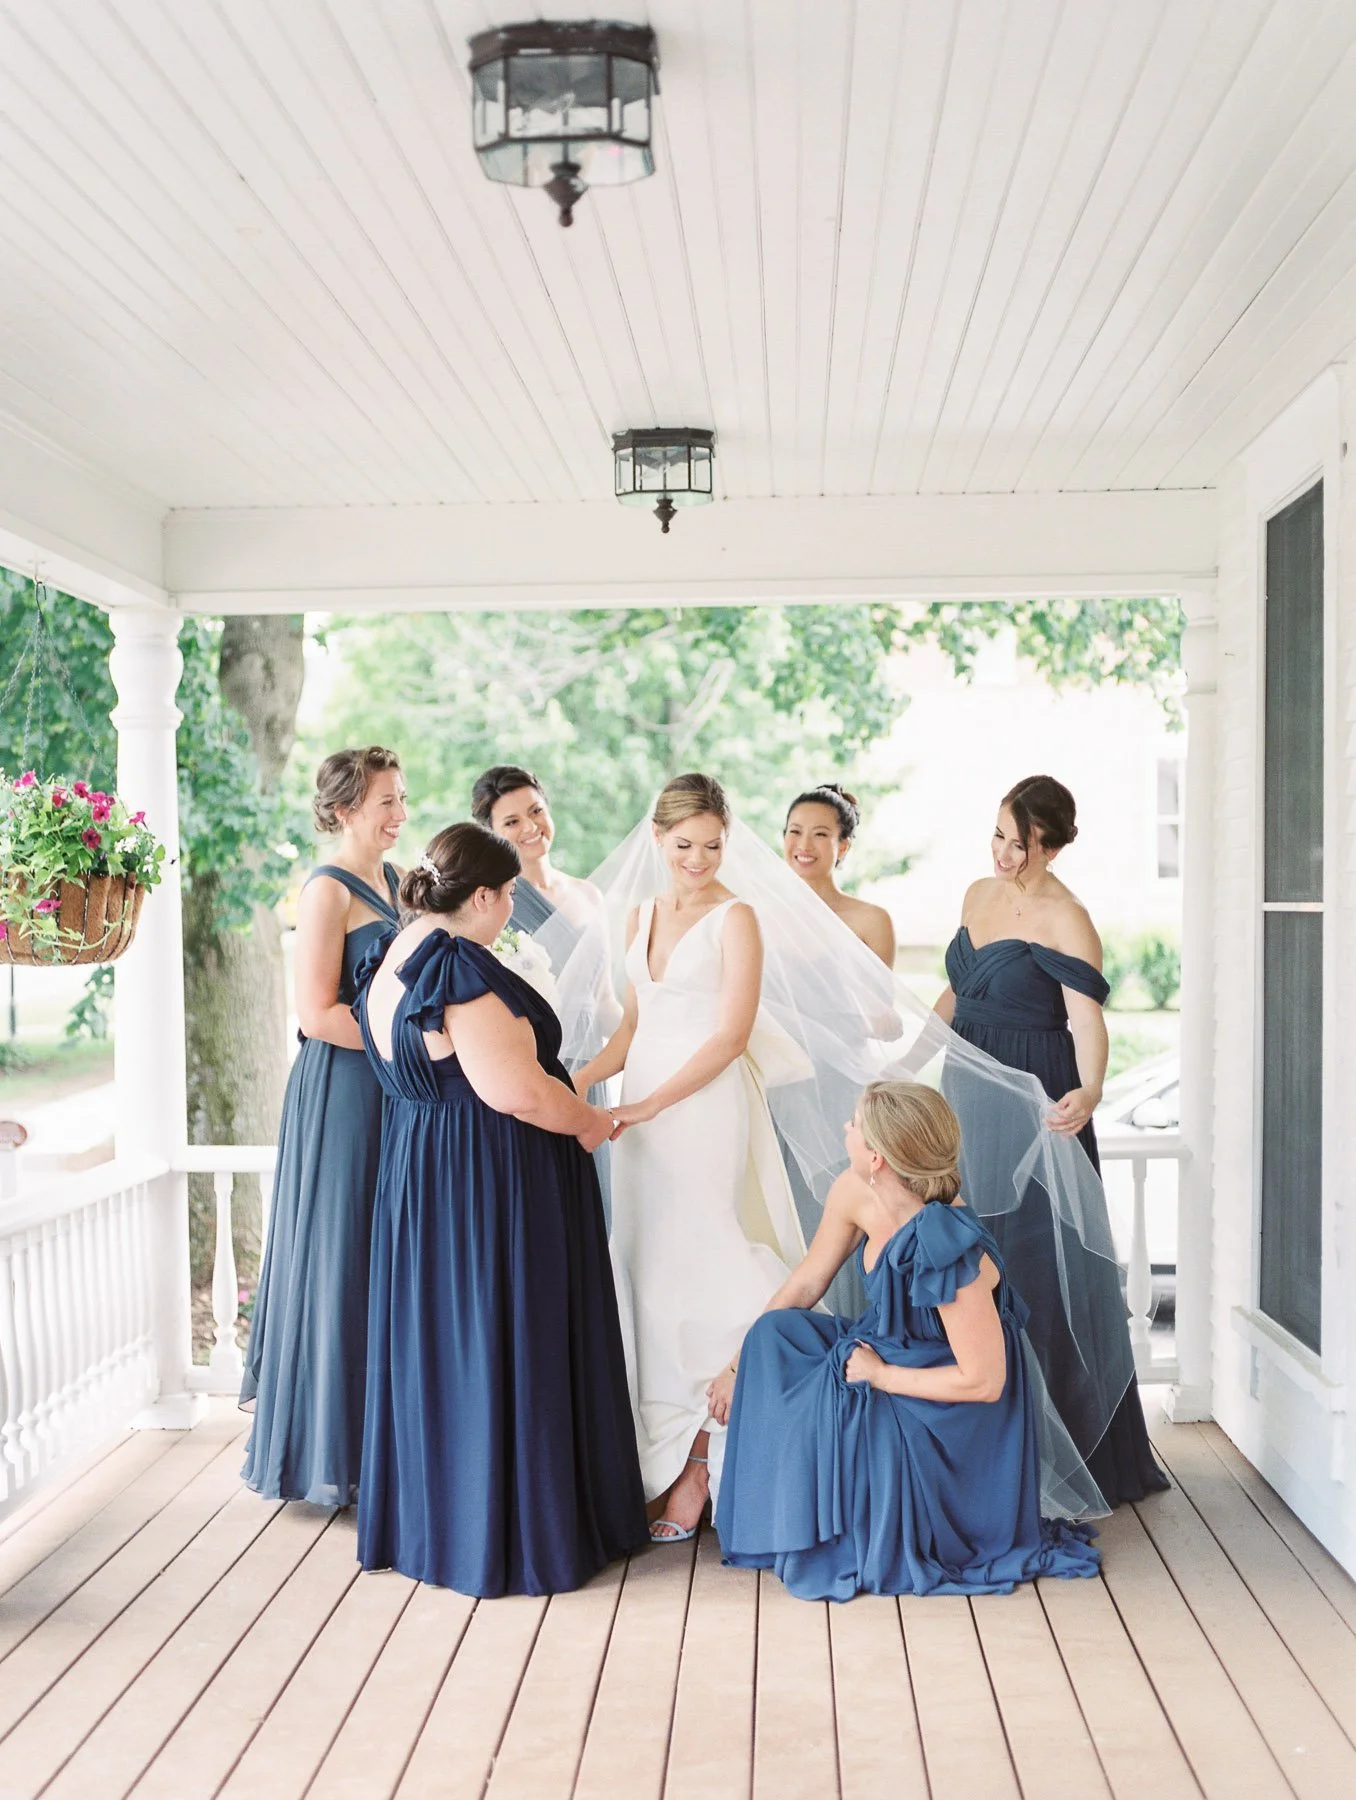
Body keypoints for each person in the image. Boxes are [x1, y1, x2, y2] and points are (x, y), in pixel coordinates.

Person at [354, 821, 647, 1595]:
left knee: (448, 1341)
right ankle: (515, 1533)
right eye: (510, 892)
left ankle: (440, 1523)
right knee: (505, 1333)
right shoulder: (456, 966)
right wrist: (590, 1123)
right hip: (491, 1181)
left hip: (423, 1173)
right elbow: (512, 1089)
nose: (513, 906)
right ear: (480, 896)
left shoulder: (394, 957)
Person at [709, 1081, 1103, 1602]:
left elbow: (984, 1381)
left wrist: (880, 1375)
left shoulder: (946, 1245)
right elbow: (806, 1283)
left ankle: (848, 1522)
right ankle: (790, 1520)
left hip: (949, 1399)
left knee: (844, 1401)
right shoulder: (854, 1190)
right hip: (888, 1345)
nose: (844, 1129)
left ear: (877, 1156)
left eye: (854, 1125)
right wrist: (736, 1368)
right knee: (772, 1339)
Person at [570, 774, 808, 1543]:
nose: (698, 859)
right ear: (656, 838)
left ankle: (706, 1457)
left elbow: (730, 1038)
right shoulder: (637, 916)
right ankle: (661, 1458)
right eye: (683, 846)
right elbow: (631, 1026)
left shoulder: (737, 918)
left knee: (704, 1257)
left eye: (712, 845)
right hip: (639, 1110)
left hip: (701, 1107)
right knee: (646, 1265)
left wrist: (647, 1104)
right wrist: (574, 1083)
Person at [934, 774, 1168, 1504]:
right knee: (959, 1253)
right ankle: (971, 1439)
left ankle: (1055, 1447)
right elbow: (955, 996)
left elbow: (1087, 1021)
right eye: (999, 836)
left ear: (1055, 845)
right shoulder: (977, 893)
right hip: (965, 1087)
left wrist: (1091, 1091)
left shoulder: (1069, 917)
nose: (1005, 853)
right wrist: (905, 1064)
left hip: (1034, 1092)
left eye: (1022, 844)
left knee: (1035, 1260)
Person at [241, 746, 406, 1505]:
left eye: (402, 800)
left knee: (392, 1257)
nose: (400, 815)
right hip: (344, 1090)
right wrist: (406, 1042)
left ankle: (391, 1444)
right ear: (344, 811)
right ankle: (337, 1454)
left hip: (396, 1088)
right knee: (344, 1254)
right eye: (385, 803)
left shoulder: (400, 883)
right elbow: (316, 1014)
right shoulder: (325, 891)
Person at [471, 764, 604, 937]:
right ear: (490, 833)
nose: (531, 826)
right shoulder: (489, 906)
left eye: (536, 811)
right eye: (512, 822)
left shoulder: (588, 893)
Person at [783, 784, 896, 965]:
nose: (804, 845)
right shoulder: (759, 914)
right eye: (795, 831)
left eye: (820, 834)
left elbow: (881, 993)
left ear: (843, 847)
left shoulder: (872, 920)